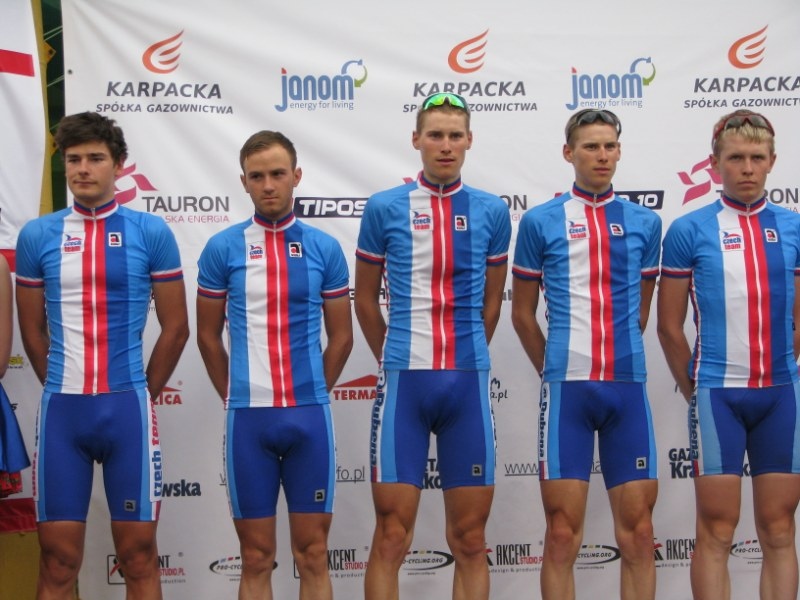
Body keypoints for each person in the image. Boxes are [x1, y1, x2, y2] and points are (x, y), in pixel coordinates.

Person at [15, 112, 189, 600]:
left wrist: (140, 394)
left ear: (119, 164)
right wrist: (61, 383)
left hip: (127, 410)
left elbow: (176, 328)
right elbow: (32, 330)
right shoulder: (37, 235)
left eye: (95, 158)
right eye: (74, 160)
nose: (83, 169)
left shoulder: (150, 232)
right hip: (62, 413)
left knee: (138, 557)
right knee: (57, 561)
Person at [355, 92, 511, 600]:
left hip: (466, 384)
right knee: (391, 537)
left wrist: (466, 353)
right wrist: (394, 356)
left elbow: (493, 304)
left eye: (454, 135)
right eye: (436, 135)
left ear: (469, 141)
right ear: (416, 140)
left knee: (470, 540)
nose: (445, 145)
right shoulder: (384, 207)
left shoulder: (492, 210)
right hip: (405, 384)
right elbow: (364, 301)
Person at [511, 109, 661, 600]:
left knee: (639, 533)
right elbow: (522, 315)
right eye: (591, 146)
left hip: (626, 388)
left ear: (619, 151)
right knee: (560, 534)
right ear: (568, 152)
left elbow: (640, 311)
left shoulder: (645, 222)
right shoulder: (540, 221)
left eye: (609, 146)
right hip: (568, 392)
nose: (602, 155)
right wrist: (556, 368)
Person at [196, 130, 353, 600]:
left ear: (296, 176)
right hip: (248, 419)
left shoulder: (324, 248)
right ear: (243, 181)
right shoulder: (222, 248)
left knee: (313, 554)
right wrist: (235, 394)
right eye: (257, 176)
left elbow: (342, 337)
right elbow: (206, 336)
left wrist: (312, 391)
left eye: (278, 174)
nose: (268, 185)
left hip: (309, 416)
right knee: (256, 557)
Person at [658, 109, 800, 600]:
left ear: (772, 162)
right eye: (736, 158)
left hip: (780, 394)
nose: (747, 168)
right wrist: (697, 391)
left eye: (757, 157)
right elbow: (669, 326)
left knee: (779, 528)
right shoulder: (689, 229)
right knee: (717, 529)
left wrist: (786, 369)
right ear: (715, 163)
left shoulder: (793, 227)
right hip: (718, 395)